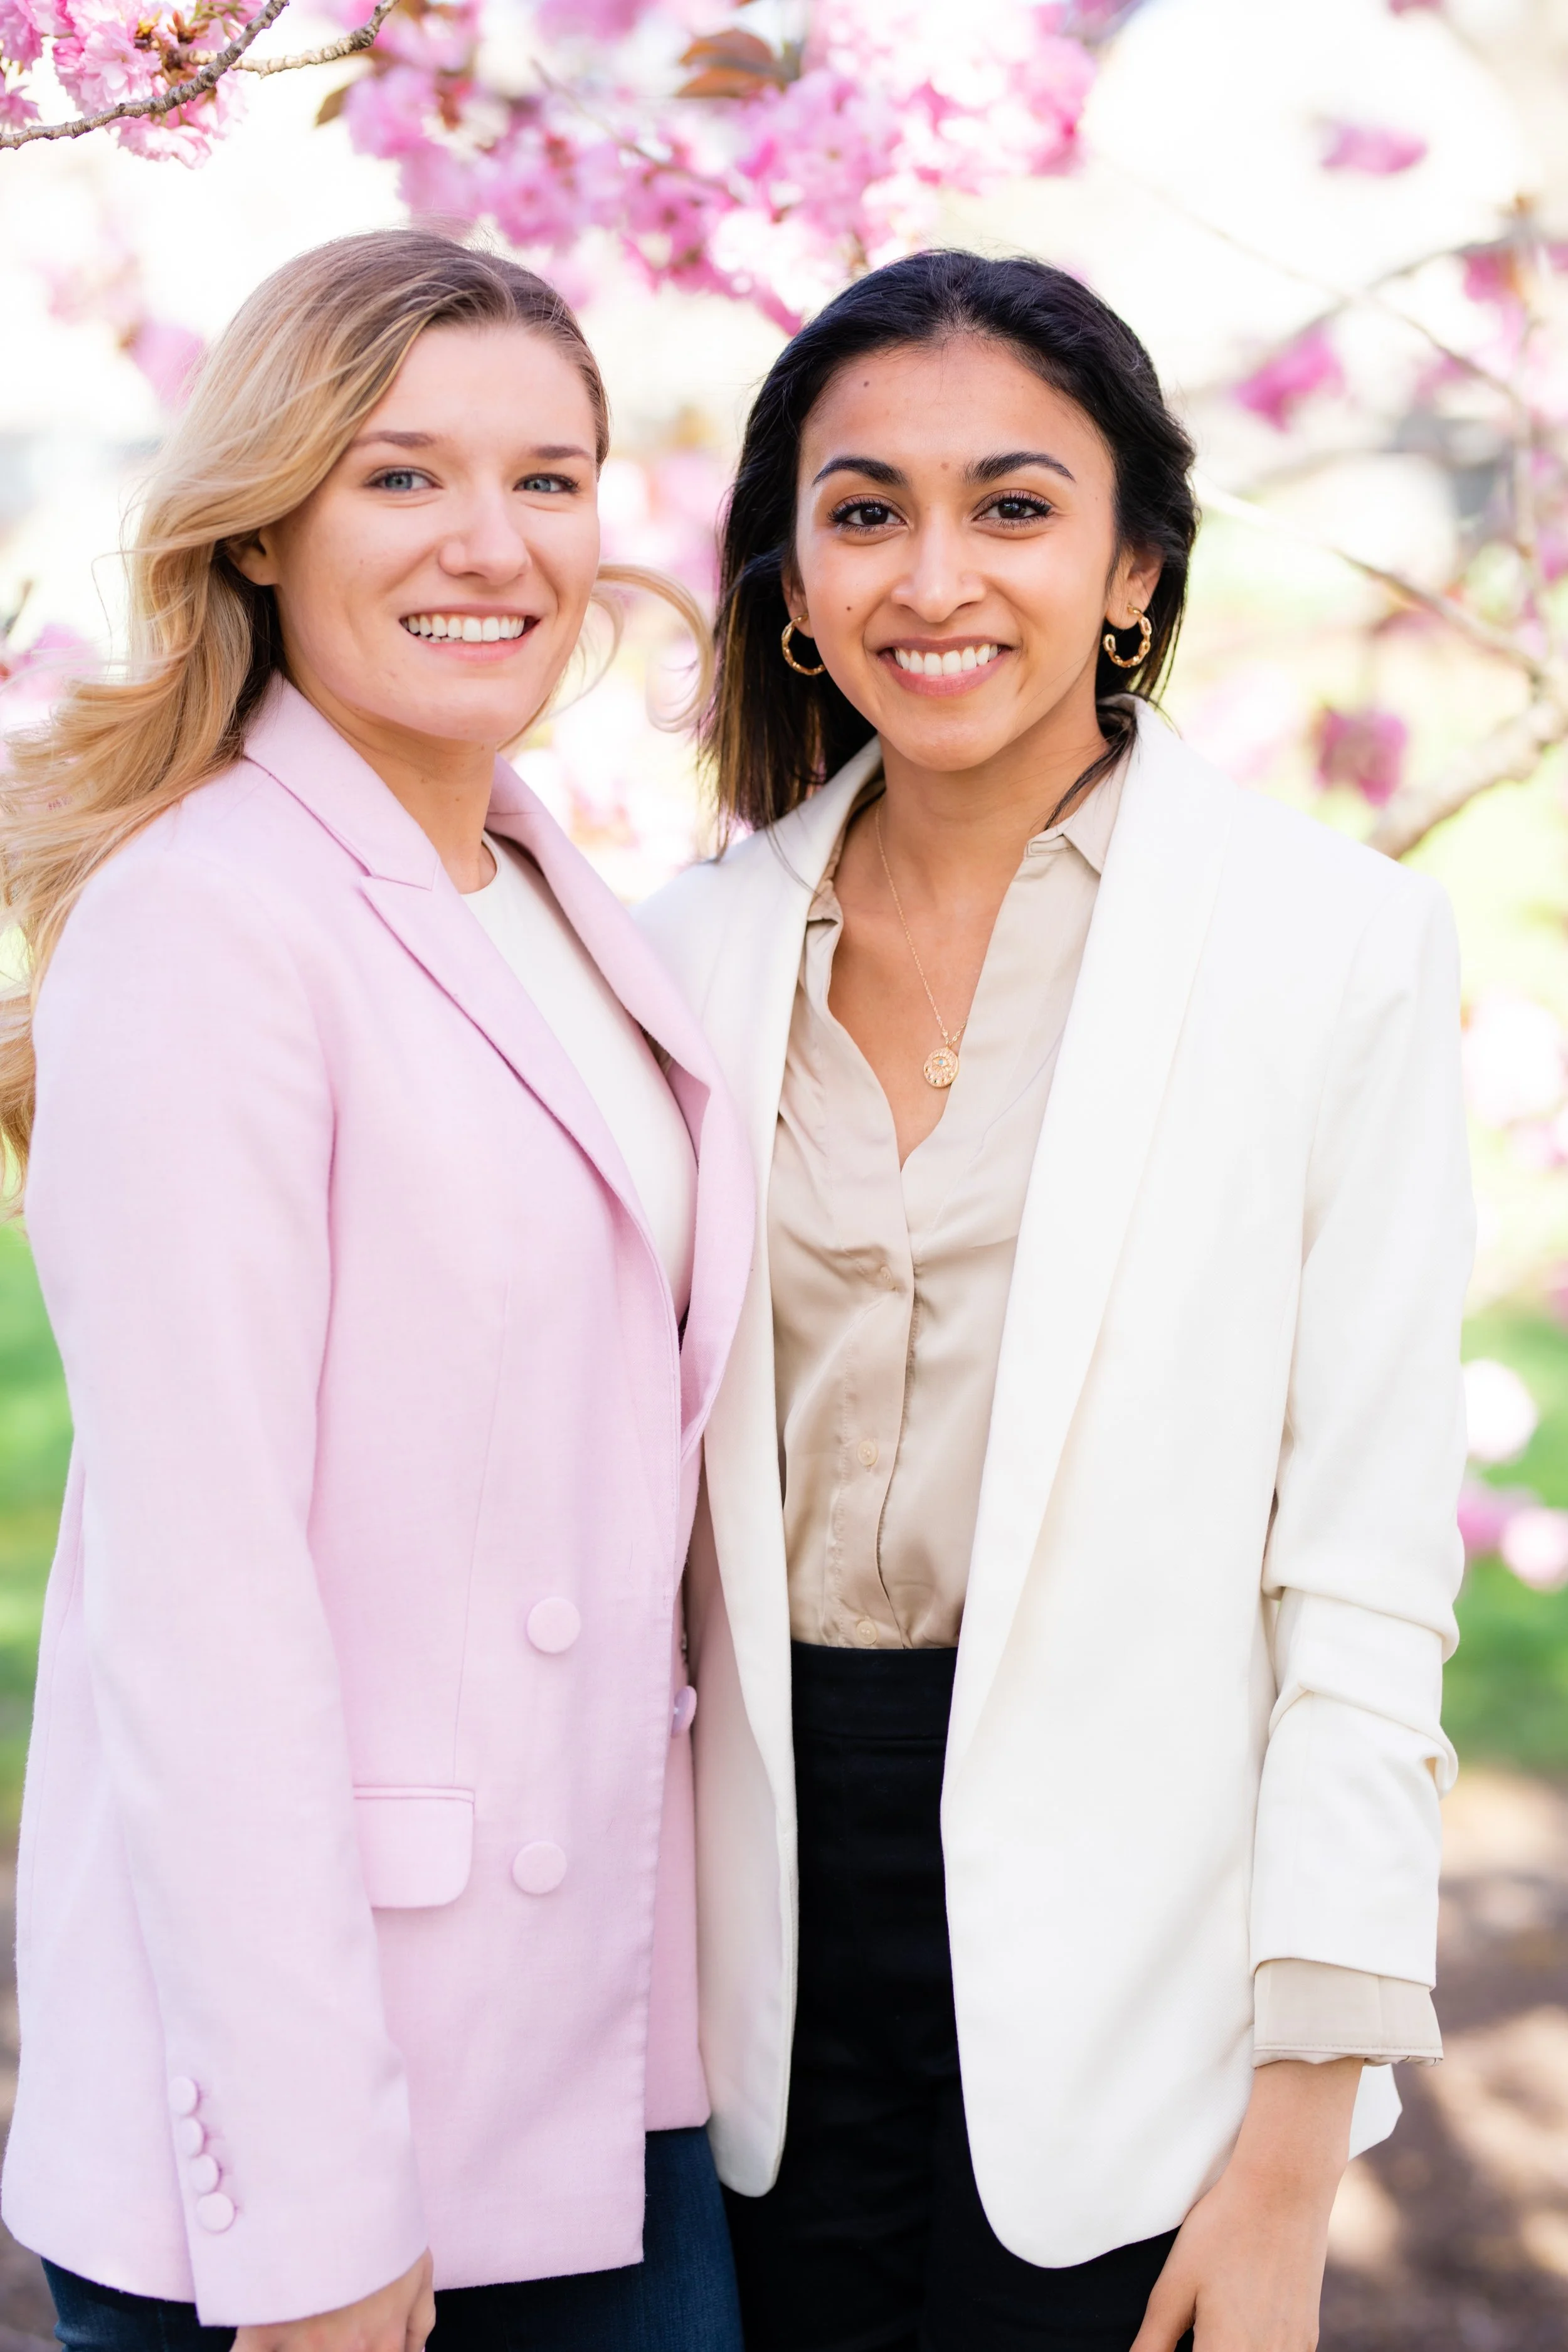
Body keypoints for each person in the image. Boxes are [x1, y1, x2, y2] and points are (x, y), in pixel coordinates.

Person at [640, 250, 1471, 2352]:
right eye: (863, 510)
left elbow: (1363, 1582)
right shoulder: (679, 958)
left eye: (1013, 506)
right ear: (790, 575)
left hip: (1137, 2010)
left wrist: (1292, 2152)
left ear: (1131, 568)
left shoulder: (1327, 949)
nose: (935, 576)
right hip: (745, 1976)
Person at [0, 229, 750, 2352]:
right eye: (402, 474)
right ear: (264, 526)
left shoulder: (540, 888)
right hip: (319, 2110)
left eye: (550, 476)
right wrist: (321, 2217)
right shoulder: (206, 924)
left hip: (592, 2039)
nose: (491, 543)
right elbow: (201, 1604)